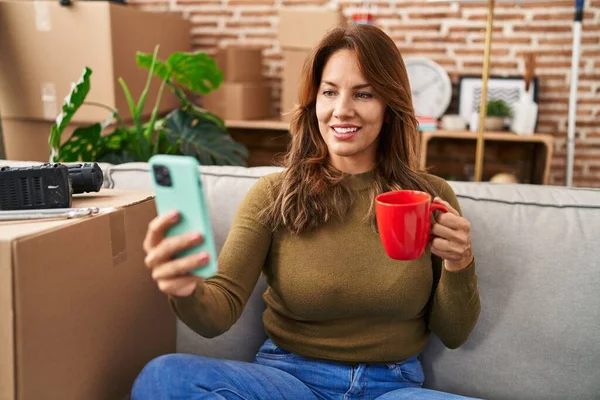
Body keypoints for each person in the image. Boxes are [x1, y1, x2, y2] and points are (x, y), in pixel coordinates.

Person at [132, 24, 481, 400]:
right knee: (163, 379)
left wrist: (459, 262)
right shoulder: (273, 194)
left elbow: (454, 333)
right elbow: (219, 310)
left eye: (363, 94)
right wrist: (186, 290)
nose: (341, 110)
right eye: (329, 92)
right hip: (289, 381)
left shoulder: (429, 196)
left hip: (391, 386)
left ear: (389, 105)